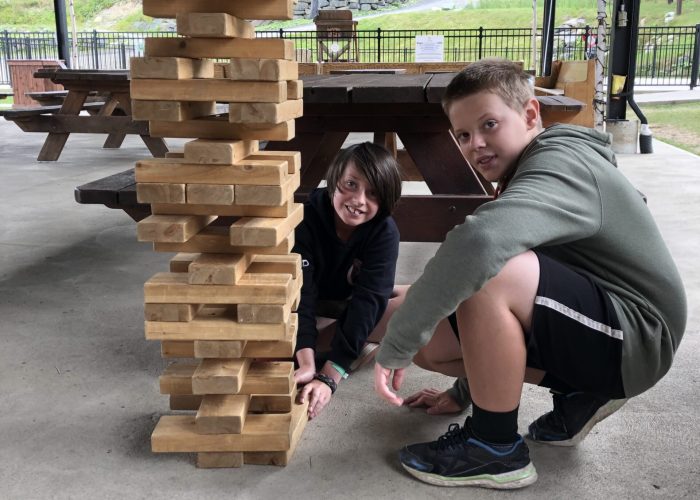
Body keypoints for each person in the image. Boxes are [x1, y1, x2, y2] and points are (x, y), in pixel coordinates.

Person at [372, 58, 687, 489]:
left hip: (640, 336)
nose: (475, 144)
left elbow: (480, 247)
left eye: (489, 125)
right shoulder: (535, 167)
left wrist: (396, 347)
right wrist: (468, 390)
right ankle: (581, 394)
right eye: (463, 135)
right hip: (606, 324)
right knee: (433, 342)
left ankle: (493, 448)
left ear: (530, 114)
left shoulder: (560, 163)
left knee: (486, 270)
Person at [294, 142, 404, 420]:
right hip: (313, 302)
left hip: (349, 302)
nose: (358, 200)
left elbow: (369, 301)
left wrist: (330, 376)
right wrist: (305, 361)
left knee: (410, 304)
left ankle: (346, 345)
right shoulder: (304, 216)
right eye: (351, 184)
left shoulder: (384, 231)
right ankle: (346, 344)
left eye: (373, 193)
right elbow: (301, 293)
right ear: (334, 179)